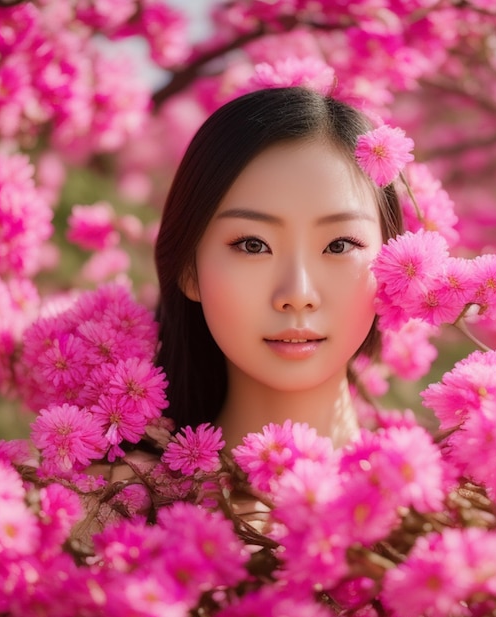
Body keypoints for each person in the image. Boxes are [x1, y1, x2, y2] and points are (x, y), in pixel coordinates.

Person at [154, 86, 404, 451]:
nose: (297, 295)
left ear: (395, 263)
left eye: (339, 245)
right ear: (189, 269)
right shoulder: (118, 502)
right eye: (253, 245)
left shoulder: (457, 505)